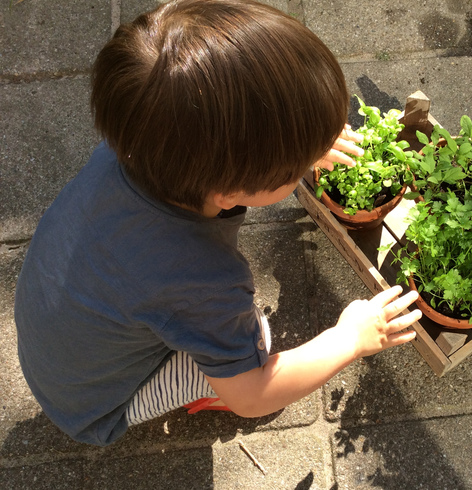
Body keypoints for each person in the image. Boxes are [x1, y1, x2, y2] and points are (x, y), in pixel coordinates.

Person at [13, 0, 421, 446]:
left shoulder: (136, 148)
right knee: (258, 339)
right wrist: (352, 338)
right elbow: (254, 395)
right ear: (226, 192)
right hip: (94, 403)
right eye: (296, 162)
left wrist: (292, 148)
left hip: (59, 344)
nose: (310, 158)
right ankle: (204, 391)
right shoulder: (206, 282)